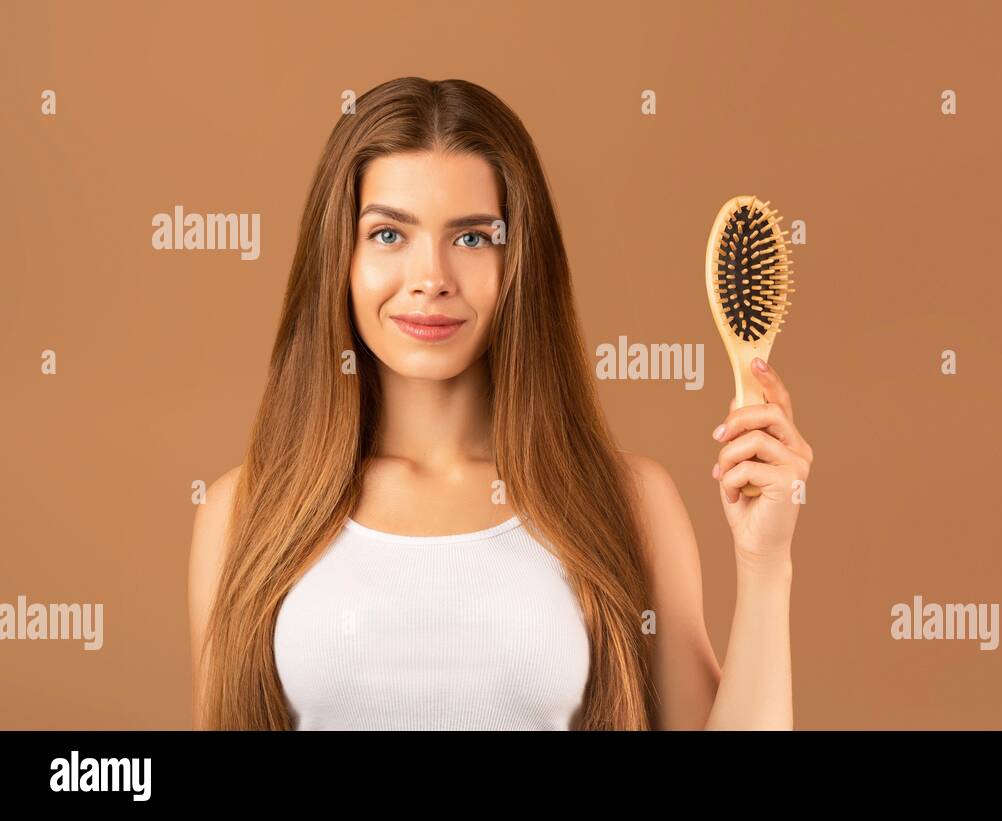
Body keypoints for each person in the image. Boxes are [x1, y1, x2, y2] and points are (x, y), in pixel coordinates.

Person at [187, 77, 813, 730]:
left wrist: (765, 564)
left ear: (520, 261)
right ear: (339, 257)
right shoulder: (242, 511)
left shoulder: (630, 502)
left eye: (471, 238)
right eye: (388, 235)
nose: (431, 278)